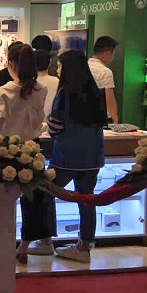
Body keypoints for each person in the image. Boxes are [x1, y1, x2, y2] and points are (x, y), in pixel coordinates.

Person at [42, 50, 107, 263]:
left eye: (60, 66)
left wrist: (48, 126)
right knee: (87, 199)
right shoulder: (95, 91)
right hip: (93, 156)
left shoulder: (65, 92)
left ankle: (45, 239)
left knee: (44, 191)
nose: (57, 70)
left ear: (67, 68)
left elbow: (55, 127)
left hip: (67, 156)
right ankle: (84, 246)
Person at [0, 43, 47, 265]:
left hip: (6, 150)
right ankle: (24, 248)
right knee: (31, 200)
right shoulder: (41, 89)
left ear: (10, 64)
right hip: (32, 148)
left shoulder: (4, 91)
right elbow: (38, 121)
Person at [88, 36, 119, 125]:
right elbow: (109, 101)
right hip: (99, 119)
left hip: (82, 118)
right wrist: (114, 121)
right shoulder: (105, 72)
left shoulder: (83, 67)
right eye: (113, 54)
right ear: (108, 53)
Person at [34, 49, 59, 121]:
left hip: (32, 123)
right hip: (51, 122)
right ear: (50, 62)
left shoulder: (27, 83)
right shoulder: (57, 82)